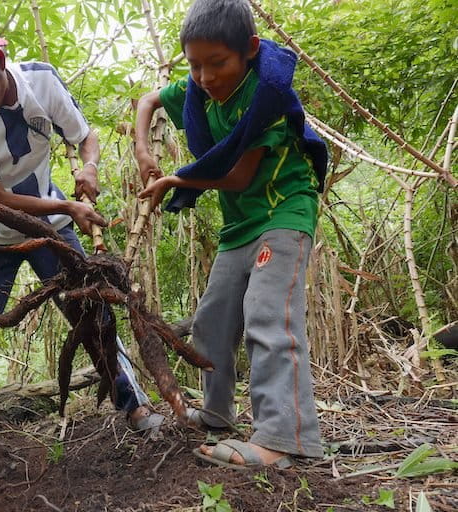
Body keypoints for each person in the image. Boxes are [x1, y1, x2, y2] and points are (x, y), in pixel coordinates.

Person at [0, 21, 162, 468]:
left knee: (93, 314)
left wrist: (90, 167)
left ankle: (135, 406)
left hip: (49, 225)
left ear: (0, 64)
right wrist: (66, 210)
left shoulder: (42, 80)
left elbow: (84, 136)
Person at [134, 0, 327, 468]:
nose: (205, 77)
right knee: (213, 320)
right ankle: (217, 414)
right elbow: (148, 101)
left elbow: (239, 177)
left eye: (217, 63)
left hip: (284, 214)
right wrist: (143, 151)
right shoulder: (198, 89)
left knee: (268, 316)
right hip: (240, 226)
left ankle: (282, 438)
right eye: (195, 64)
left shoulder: (269, 96)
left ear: (249, 51)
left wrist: (177, 178)